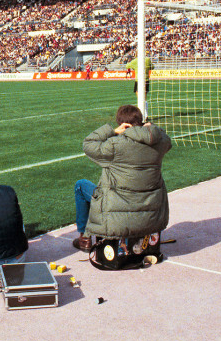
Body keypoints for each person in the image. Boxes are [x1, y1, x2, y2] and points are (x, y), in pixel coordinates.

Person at [72, 105, 172, 252]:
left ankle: (85, 238)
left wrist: (112, 131)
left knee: (80, 186)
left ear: (122, 124)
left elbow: (88, 143)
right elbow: (166, 139)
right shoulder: (159, 144)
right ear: (141, 122)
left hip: (117, 210)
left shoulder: (115, 144)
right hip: (149, 211)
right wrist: (151, 128)